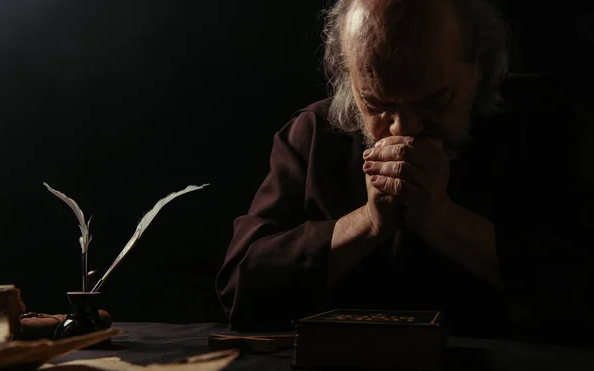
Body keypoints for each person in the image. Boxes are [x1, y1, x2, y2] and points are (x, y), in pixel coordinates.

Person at [217, 0, 594, 341]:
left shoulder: (545, 124)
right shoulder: (314, 134)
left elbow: (577, 288)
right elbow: (240, 291)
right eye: (377, 103)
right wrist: (367, 222)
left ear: (479, 67)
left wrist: (444, 220)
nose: (404, 128)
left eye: (434, 101)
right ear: (350, 79)